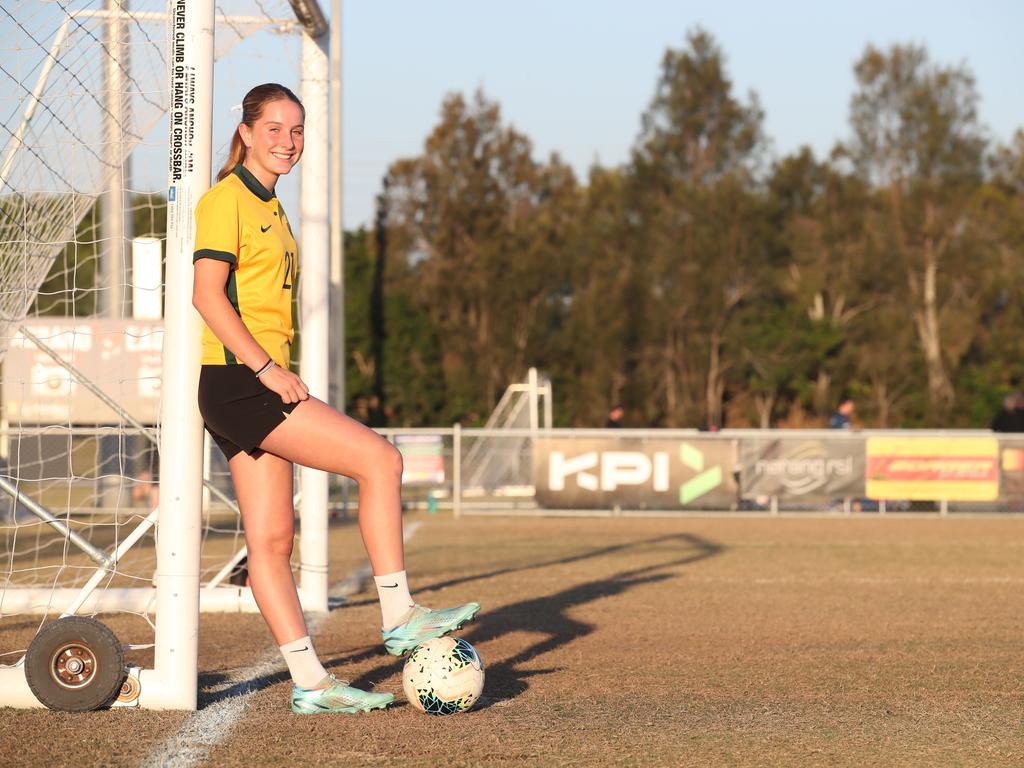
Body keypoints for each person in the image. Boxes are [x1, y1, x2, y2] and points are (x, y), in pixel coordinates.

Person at [191, 83, 479, 715]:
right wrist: (268, 369)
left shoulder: (271, 205)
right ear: (245, 132)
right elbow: (207, 296)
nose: (287, 142)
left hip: (241, 386)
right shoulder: (225, 200)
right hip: (243, 383)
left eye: (296, 131)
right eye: (274, 129)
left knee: (271, 541)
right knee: (381, 460)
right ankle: (401, 614)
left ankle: (311, 685)